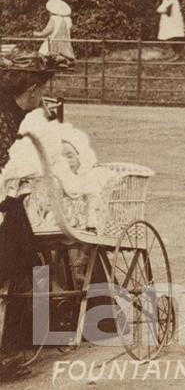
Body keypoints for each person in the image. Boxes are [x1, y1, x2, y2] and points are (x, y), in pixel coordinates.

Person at [0, 52, 69, 380]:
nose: (42, 98)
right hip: (5, 205)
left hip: (9, 200)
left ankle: (25, 334)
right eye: (41, 91)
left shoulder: (13, 111)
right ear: (31, 90)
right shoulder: (7, 117)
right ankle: (10, 351)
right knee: (20, 255)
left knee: (27, 254)